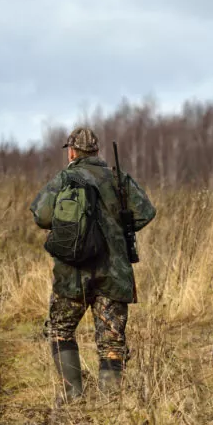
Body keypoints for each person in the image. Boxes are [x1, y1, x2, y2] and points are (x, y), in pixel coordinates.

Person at [29, 127, 156, 405]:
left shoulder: (64, 178)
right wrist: (120, 224)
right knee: (111, 341)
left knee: (60, 330)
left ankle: (72, 396)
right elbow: (146, 212)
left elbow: (40, 215)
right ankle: (111, 405)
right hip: (114, 273)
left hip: (72, 273)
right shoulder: (118, 178)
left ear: (72, 152)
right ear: (97, 151)